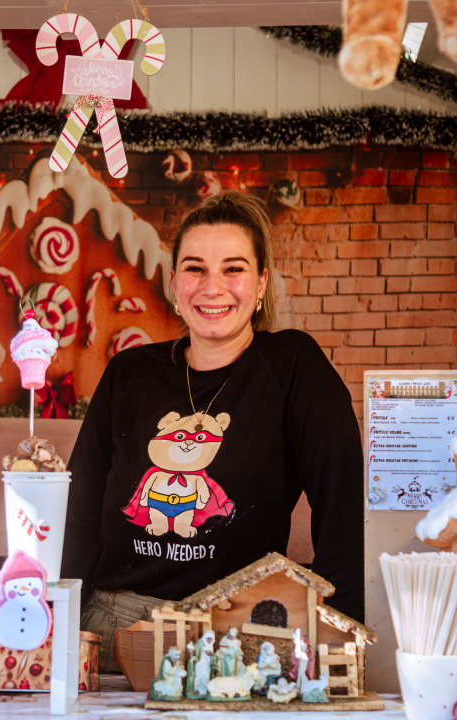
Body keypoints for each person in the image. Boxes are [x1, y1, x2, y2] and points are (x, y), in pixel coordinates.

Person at [62, 190, 365, 672]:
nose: (212, 286)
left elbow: (343, 509)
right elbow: (76, 509)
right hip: (118, 626)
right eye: (196, 267)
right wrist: (57, 627)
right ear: (175, 282)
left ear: (262, 282)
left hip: (241, 634)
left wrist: (341, 638)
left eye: (234, 268)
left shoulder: (293, 367)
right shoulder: (129, 373)